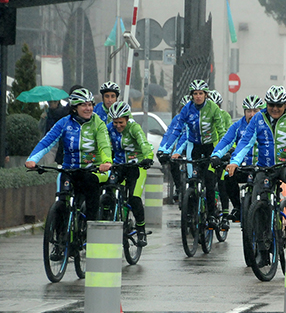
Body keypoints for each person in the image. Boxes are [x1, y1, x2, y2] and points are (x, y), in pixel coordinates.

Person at [25, 88, 113, 222]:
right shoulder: (64, 122)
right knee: (62, 198)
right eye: (84, 105)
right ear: (74, 108)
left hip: (93, 170)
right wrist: (32, 159)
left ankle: (91, 228)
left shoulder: (98, 124)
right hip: (69, 168)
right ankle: (60, 232)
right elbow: (47, 141)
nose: (88, 108)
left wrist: (106, 162)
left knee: (91, 187)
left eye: (90, 105)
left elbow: (104, 145)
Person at [225, 85, 286, 222]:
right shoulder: (258, 118)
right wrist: (234, 162)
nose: (275, 108)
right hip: (263, 166)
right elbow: (245, 142)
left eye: (279, 105)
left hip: (284, 165)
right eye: (271, 104)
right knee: (257, 199)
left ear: (285, 104)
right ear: (266, 104)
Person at [161, 80, 226, 228]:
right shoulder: (187, 109)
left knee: (209, 180)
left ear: (206, 95)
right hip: (195, 147)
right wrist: (166, 150)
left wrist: (223, 151)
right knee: (193, 179)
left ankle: (211, 215)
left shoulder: (213, 108)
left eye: (201, 93)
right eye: (195, 94)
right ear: (191, 96)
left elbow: (222, 131)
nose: (198, 96)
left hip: (210, 147)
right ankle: (191, 210)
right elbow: (177, 130)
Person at [106, 101, 154, 246]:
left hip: (136, 166)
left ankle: (141, 230)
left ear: (127, 119)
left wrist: (147, 158)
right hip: (119, 165)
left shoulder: (134, 128)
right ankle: (108, 218)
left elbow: (144, 144)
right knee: (107, 191)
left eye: (121, 122)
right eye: (115, 122)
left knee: (134, 198)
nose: (118, 126)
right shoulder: (109, 129)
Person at [210, 95, 263, 222]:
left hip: (262, 167)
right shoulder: (238, 126)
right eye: (249, 111)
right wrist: (216, 155)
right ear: (244, 112)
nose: (252, 114)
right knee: (228, 176)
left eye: (255, 111)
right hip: (243, 165)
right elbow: (226, 141)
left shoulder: (266, 125)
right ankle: (238, 207)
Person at [157, 94, 190, 201]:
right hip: (180, 148)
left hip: (193, 147)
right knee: (173, 163)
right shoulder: (177, 119)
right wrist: (162, 150)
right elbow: (169, 133)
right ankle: (179, 188)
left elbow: (187, 136)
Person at [208, 90, 233, 230]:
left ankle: (225, 215)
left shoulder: (225, 116)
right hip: (210, 154)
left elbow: (231, 133)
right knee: (209, 182)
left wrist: (230, 150)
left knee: (223, 183)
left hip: (222, 154)